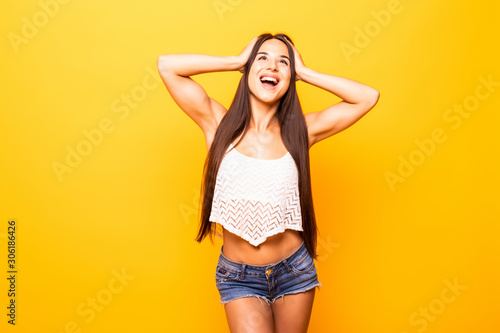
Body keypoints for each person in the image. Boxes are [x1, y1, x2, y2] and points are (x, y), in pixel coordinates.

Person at [157, 32, 379, 333]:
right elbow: (167, 65)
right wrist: (236, 60)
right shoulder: (216, 123)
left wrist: (306, 72)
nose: (272, 66)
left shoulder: (302, 130)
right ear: (248, 70)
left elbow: (367, 97)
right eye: (262, 58)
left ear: (291, 78)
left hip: (294, 269)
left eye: (283, 62)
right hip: (238, 276)